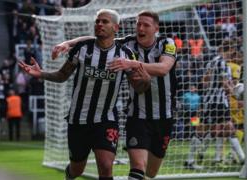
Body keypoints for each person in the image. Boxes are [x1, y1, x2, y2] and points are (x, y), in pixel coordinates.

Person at [19, 9, 150, 180]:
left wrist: (146, 79)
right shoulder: (82, 49)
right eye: (97, 21)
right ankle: (70, 174)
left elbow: (138, 87)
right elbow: (62, 75)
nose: (100, 24)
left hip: (106, 119)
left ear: (116, 27)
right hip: (78, 119)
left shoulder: (125, 55)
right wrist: (41, 74)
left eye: (104, 22)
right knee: (77, 169)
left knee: (105, 166)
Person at [52, 10, 177, 179]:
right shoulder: (128, 44)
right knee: (138, 167)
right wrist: (68, 43)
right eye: (138, 24)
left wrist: (130, 63)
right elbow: (95, 39)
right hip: (137, 114)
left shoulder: (167, 43)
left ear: (156, 28)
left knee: (151, 173)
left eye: (146, 25)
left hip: (164, 115)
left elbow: (163, 69)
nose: (140, 28)